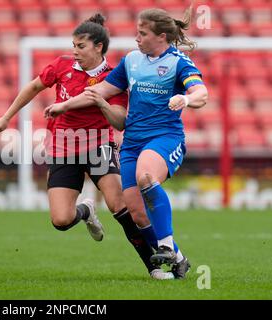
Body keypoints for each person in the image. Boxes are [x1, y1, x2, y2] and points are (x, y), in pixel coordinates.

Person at [0, 13, 174, 280]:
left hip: (98, 144)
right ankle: (86, 210)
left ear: (98, 47)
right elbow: (34, 86)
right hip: (62, 147)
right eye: (73, 45)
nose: (74, 52)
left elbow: (119, 121)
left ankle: (155, 265)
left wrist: (102, 103)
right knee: (60, 221)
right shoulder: (61, 66)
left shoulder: (114, 77)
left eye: (80, 46)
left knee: (119, 203)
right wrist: (6, 118)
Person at [44, 7, 208, 279]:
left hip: (164, 137)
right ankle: (178, 258)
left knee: (146, 176)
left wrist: (186, 99)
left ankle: (165, 245)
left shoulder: (179, 63)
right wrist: (64, 105)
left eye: (142, 34)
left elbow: (201, 93)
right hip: (132, 142)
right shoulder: (132, 61)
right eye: (137, 33)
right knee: (137, 213)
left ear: (161, 37)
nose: (137, 38)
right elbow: (100, 90)